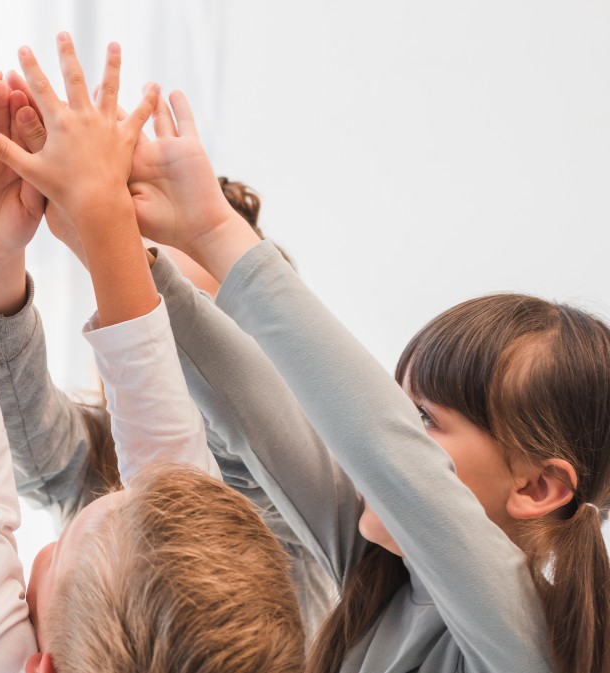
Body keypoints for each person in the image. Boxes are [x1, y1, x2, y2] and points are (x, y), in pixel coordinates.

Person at [124, 89, 610, 672]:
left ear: (536, 488)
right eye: (399, 405)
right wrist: (114, 238)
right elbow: (257, 410)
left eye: (423, 419)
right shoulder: (377, 577)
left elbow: (384, 448)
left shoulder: (529, 643)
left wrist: (213, 229)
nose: (391, 429)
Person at [0, 34, 303, 673]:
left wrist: (101, 224)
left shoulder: (285, 507)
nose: (169, 347)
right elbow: (149, 468)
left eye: (191, 325)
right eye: (148, 294)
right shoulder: (154, 543)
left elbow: (172, 469)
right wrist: (8, 253)